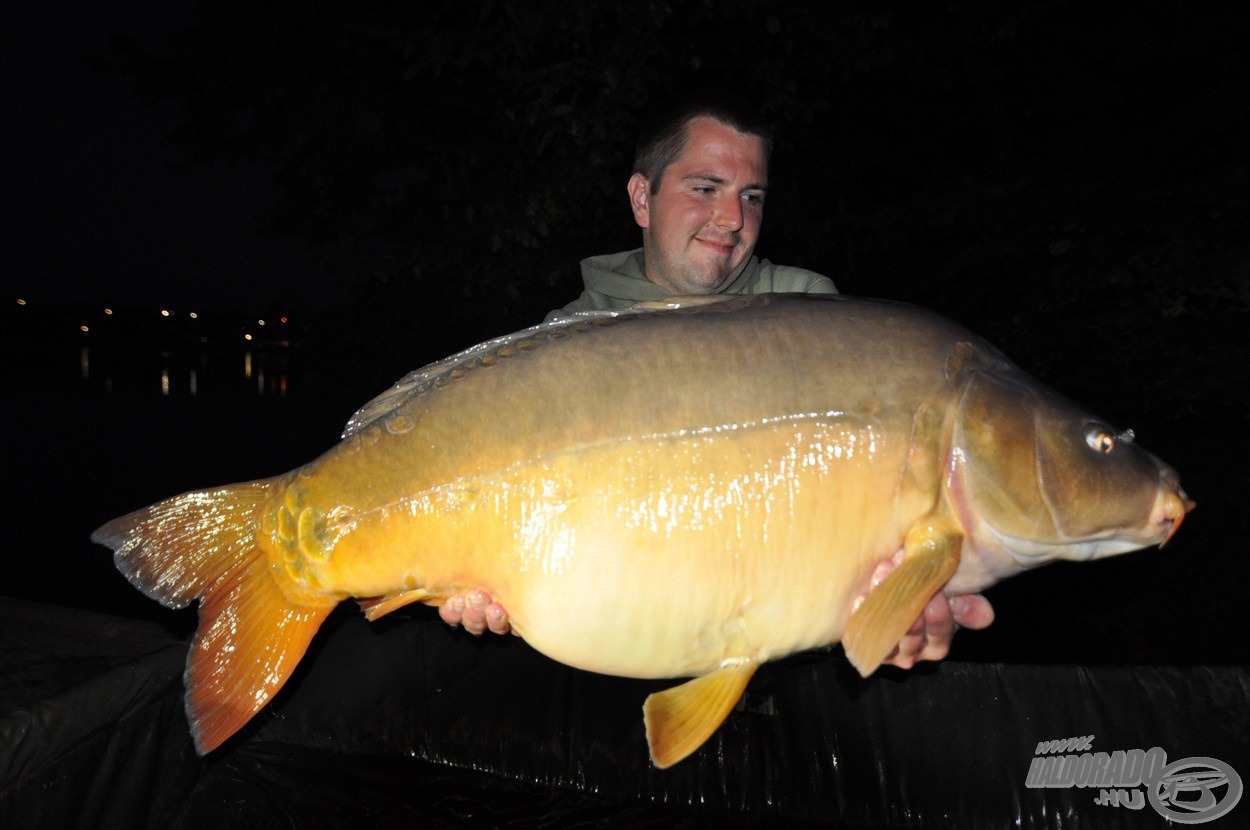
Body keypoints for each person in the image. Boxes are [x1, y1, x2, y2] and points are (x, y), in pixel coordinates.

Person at [440, 97, 994, 668]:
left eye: (751, 196)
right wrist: (481, 578)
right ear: (641, 198)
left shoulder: (811, 317)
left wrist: (885, 602)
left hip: (777, 665)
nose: (733, 218)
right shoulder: (565, 340)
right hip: (613, 651)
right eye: (705, 188)